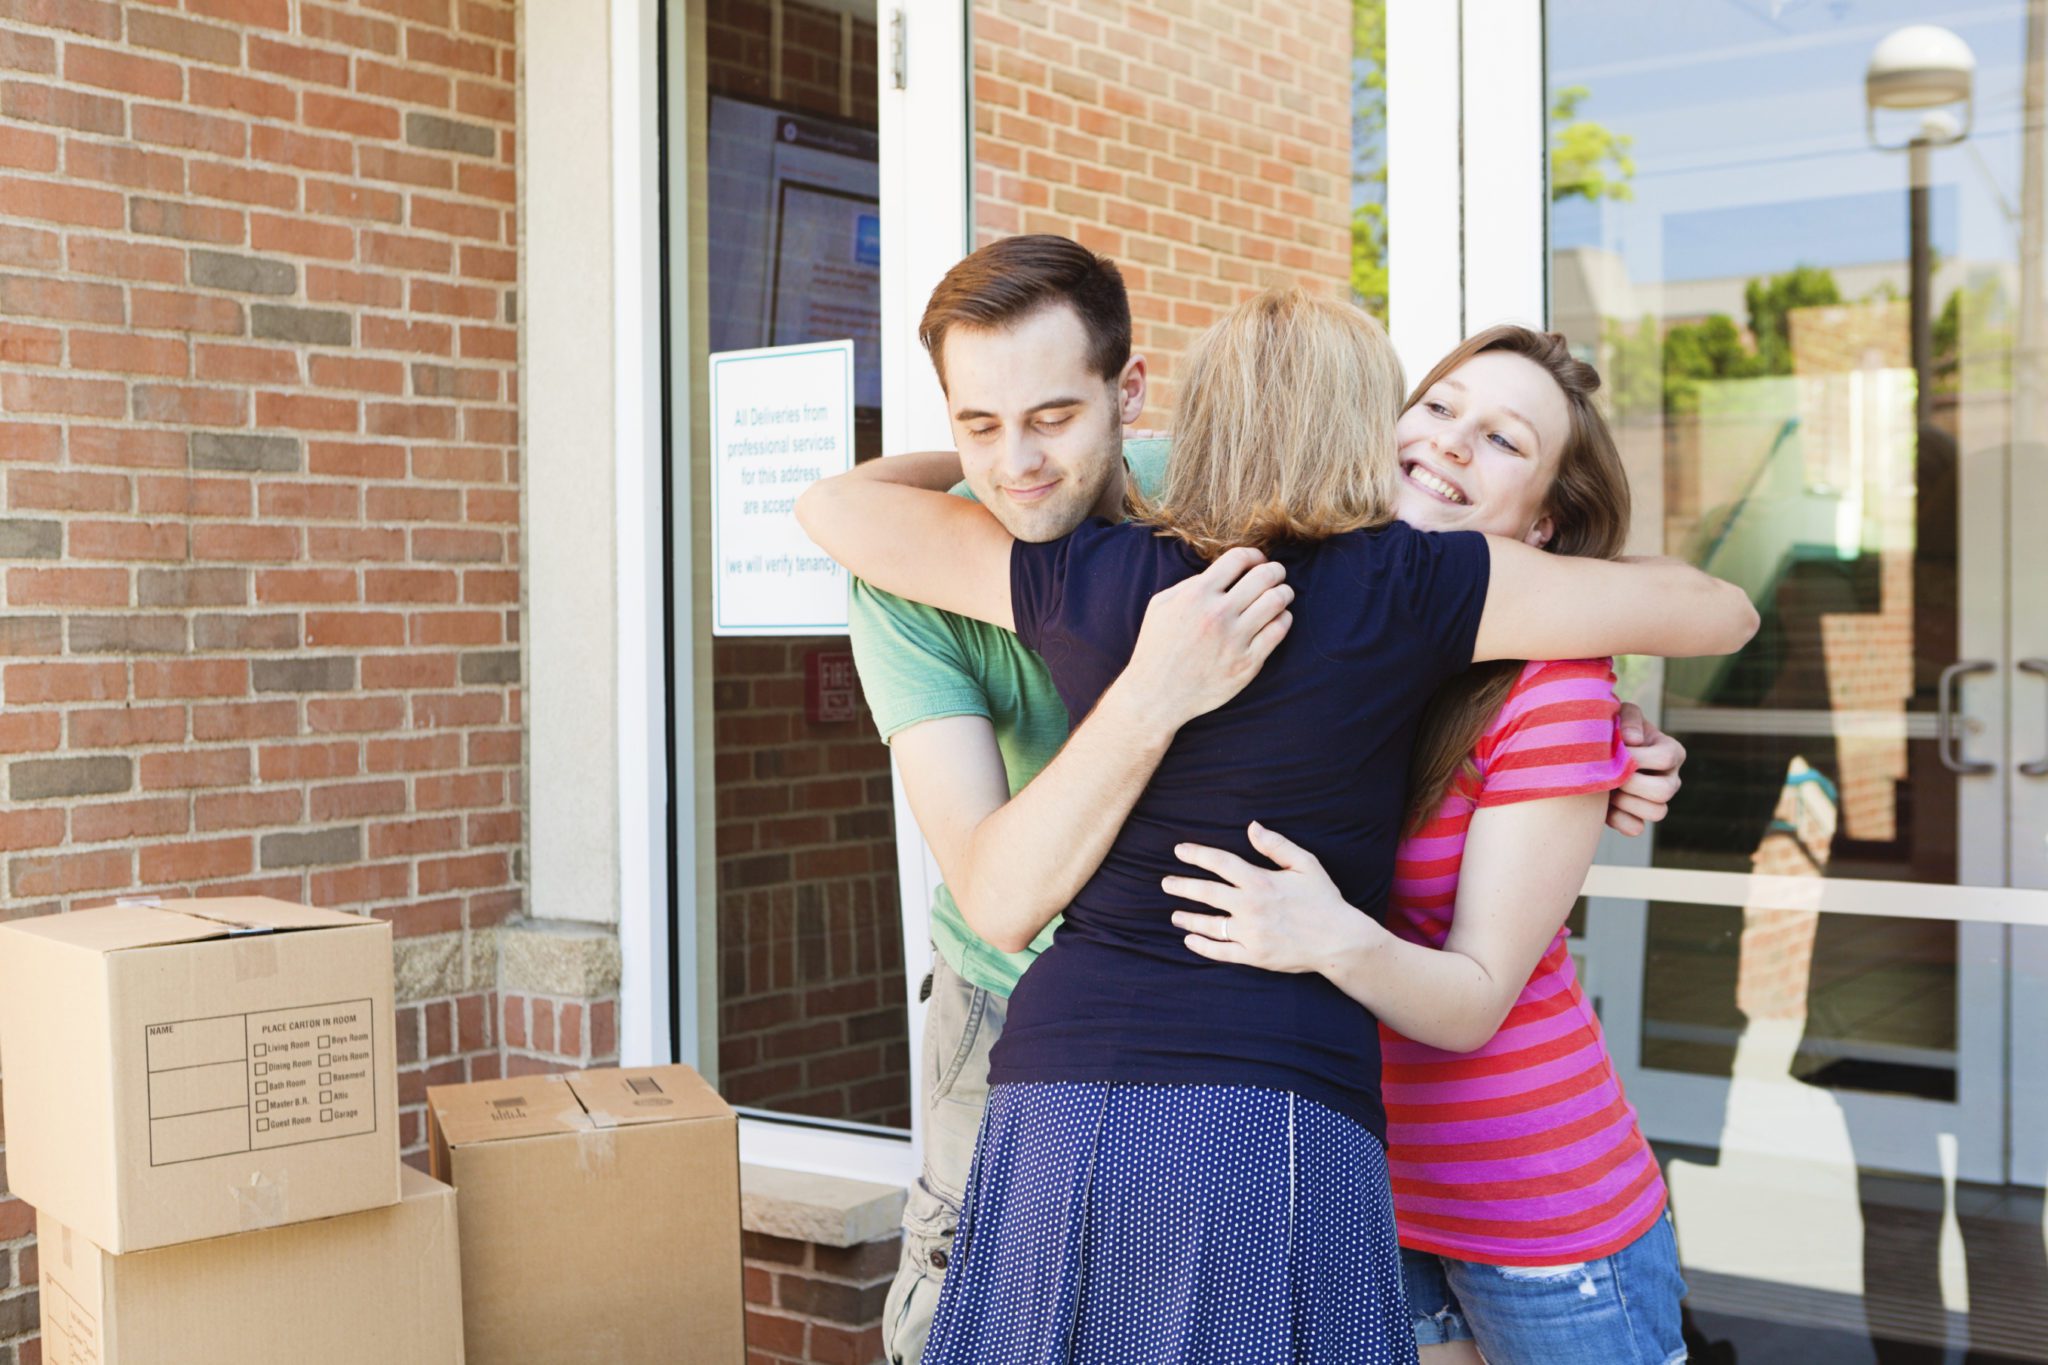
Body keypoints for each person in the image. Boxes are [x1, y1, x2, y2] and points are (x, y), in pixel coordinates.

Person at [799, 285, 1757, 1360]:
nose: (1443, 447)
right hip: (1273, 1094)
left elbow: (833, 507)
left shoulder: (1096, 571)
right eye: (1432, 412)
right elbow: (1719, 610)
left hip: (1058, 1073)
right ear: (1370, 429)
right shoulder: (1425, 584)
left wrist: (980, 462)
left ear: (1174, 421)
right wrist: (1558, 585)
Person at [1162, 327, 1688, 1364]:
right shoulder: (1302, 619)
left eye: (1502, 440)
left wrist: (1326, 935)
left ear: (1542, 523)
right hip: (1360, 1182)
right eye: (1440, 407)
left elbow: (1479, 994)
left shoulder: (1552, 688)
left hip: (1538, 1213)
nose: (1451, 442)